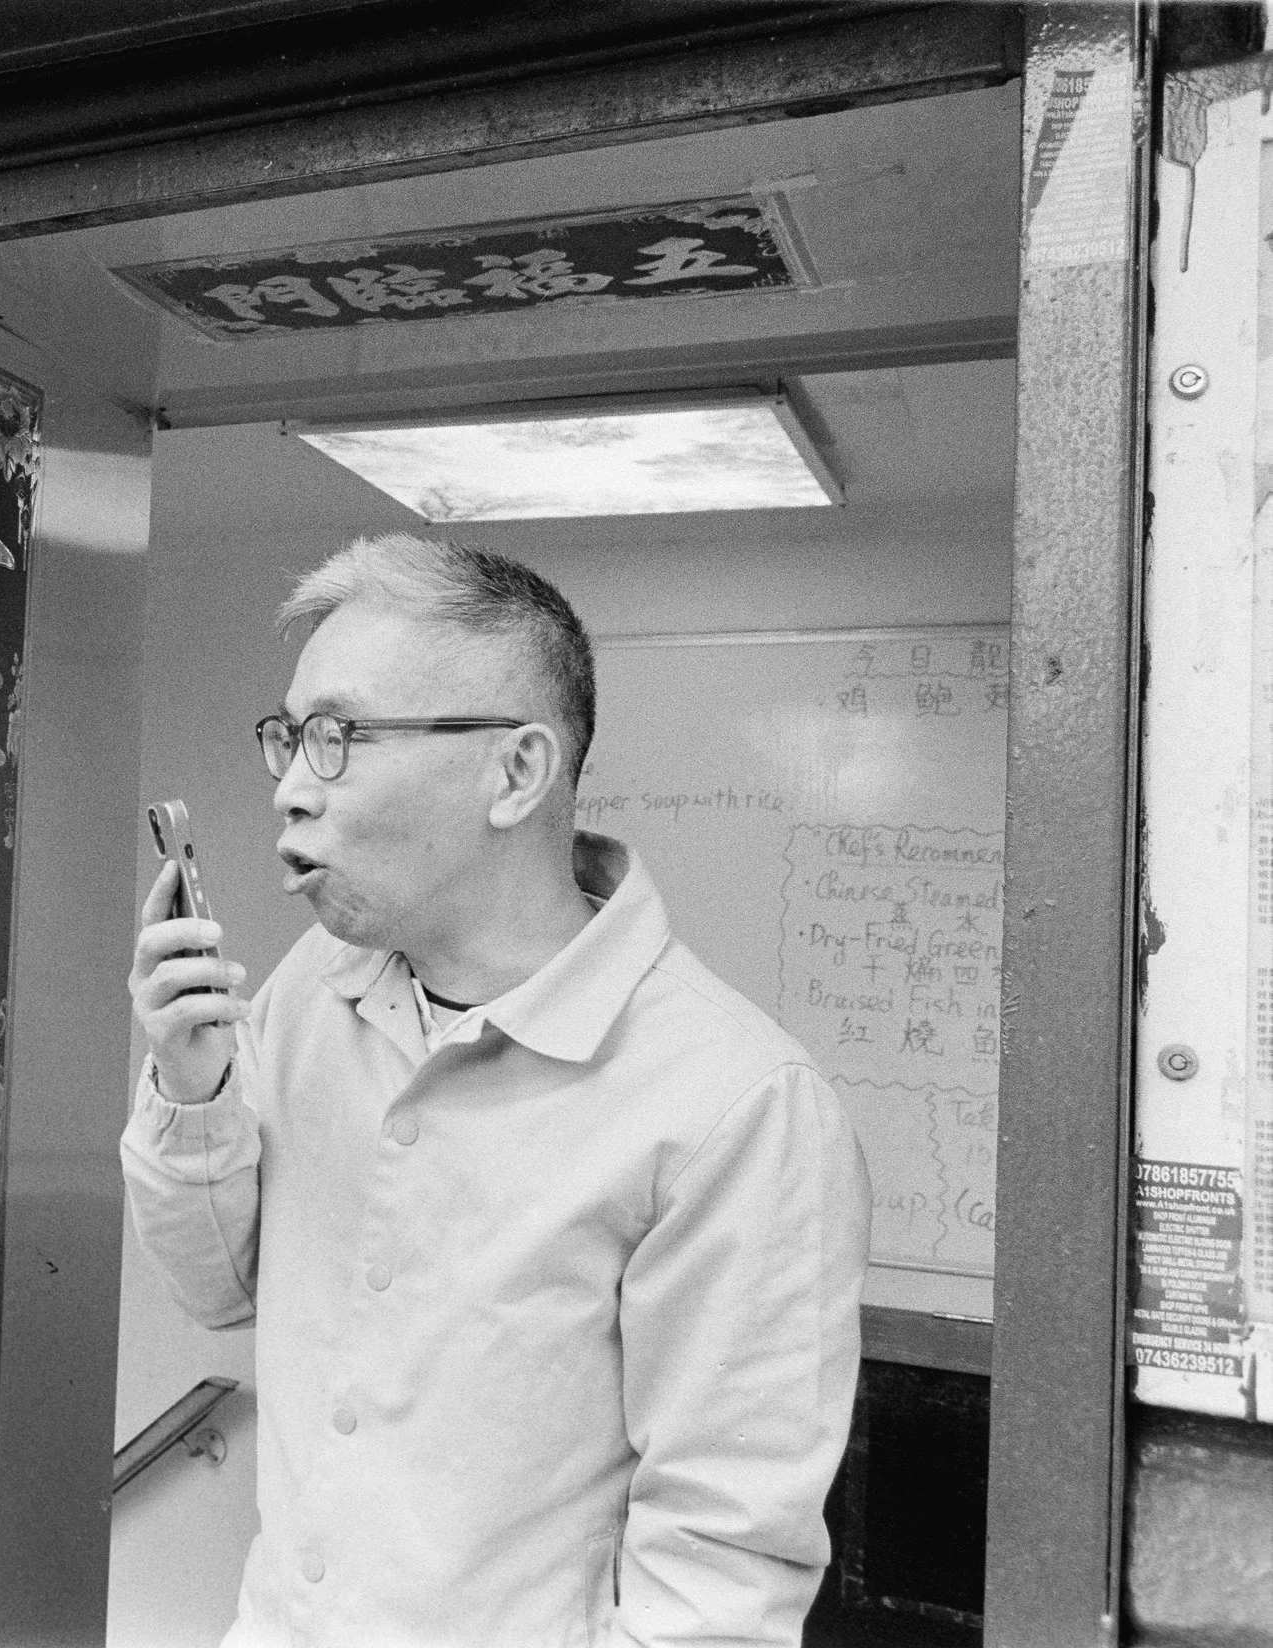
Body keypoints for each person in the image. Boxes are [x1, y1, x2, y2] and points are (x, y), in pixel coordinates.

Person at [121, 534, 871, 1647]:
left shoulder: (735, 1103)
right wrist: (195, 1087)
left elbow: (719, 1571)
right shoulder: (311, 988)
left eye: (338, 737)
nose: (287, 786)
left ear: (516, 772)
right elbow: (220, 1289)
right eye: (287, 736)